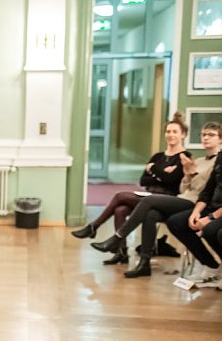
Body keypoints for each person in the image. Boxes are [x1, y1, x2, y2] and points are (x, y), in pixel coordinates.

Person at [91, 122, 222, 278]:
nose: (206, 138)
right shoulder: (198, 161)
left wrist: (190, 173)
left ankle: (117, 238)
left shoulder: (217, 161)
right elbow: (182, 188)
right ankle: (144, 264)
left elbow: (206, 190)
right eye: (204, 135)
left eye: (211, 135)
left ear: (220, 139)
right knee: (150, 214)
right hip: (184, 198)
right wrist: (187, 175)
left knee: (147, 201)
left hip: (195, 202)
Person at [71, 112, 192, 264]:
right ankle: (121, 252)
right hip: (149, 197)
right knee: (120, 210)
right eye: (168, 131)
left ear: (183, 135)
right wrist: (162, 174)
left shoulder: (185, 157)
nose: (170, 135)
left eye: (175, 132)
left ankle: (94, 227)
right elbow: (143, 180)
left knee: (120, 196)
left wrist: (154, 170)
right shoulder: (158, 156)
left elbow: (172, 182)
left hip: (167, 200)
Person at [166, 148, 222, 284]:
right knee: (176, 222)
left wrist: (210, 218)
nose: (206, 138)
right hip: (213, 207)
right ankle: (211, 265)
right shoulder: (220, 157)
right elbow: (208, 189)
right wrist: (196, 212)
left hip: (218, 213)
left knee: (210, 230)